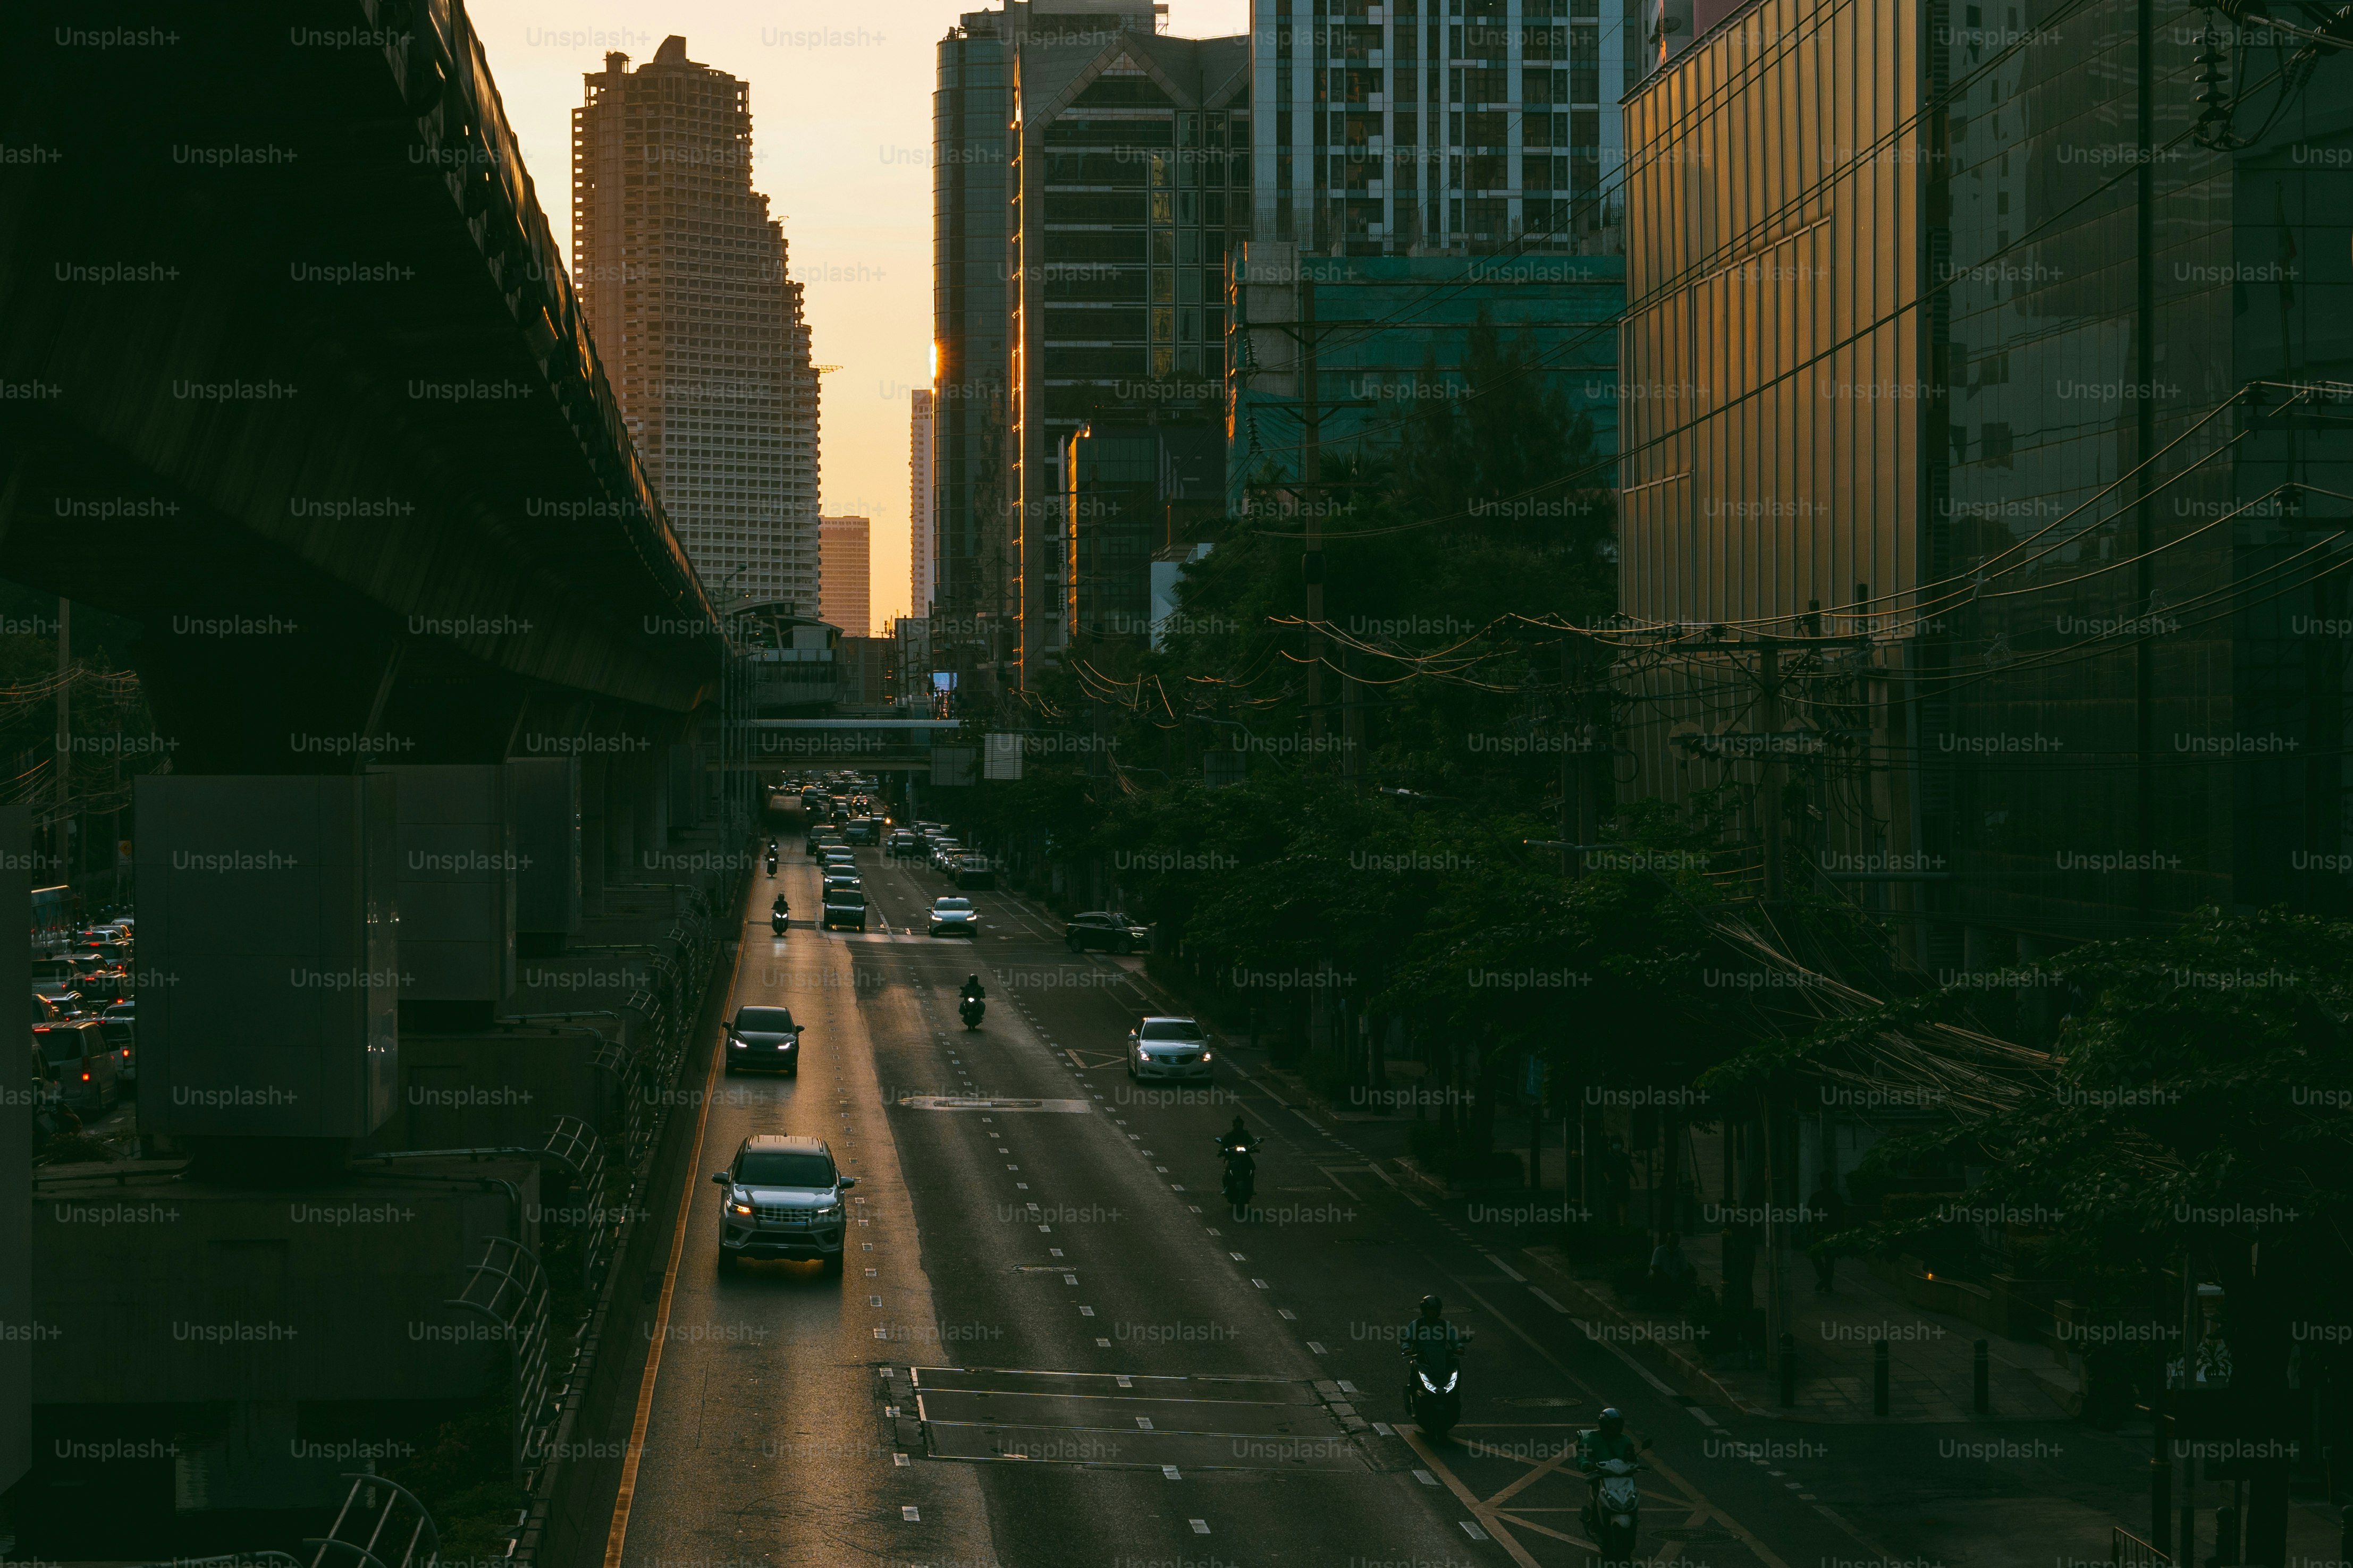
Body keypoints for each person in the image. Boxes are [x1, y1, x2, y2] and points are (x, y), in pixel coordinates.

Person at [1399, 1293, 1468, 1372]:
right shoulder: (1416, 1324)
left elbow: (1454, 1340)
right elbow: (1407, 1338)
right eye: (1430, 1310)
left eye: (1435, 1309)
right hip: (1422, 1360)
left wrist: (1459, 1348)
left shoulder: (1445, 1325)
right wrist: (1407, 1349)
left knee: (1455, 1368)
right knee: (1415, 1371)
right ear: (1424, 1310)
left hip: (1441, 1359)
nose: (1433, 1312)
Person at [1575, 1407, 1641, 1477]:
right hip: (1601, 1475)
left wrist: (1634, 1460)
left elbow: (1632, 1455)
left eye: (1618, 1425)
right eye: (1612, 1425)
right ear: (1604, 1425)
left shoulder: (1626, 1440)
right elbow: (1582, 1456)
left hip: (1623, 1475)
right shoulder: (1592, 1439)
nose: (1615, 1427)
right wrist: (1586, 1465)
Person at [1806, 1178, 1845, 1294]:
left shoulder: (1816, 1196)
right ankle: (1827, 1281)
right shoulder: (1836, 1197)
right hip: (1831, 1231)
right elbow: (1841, 1216)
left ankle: (1825, 1279)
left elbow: (1811, 1215)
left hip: (1821, 1230)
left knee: (1816, 1256)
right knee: (1829, 1259)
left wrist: (1810, 1228)